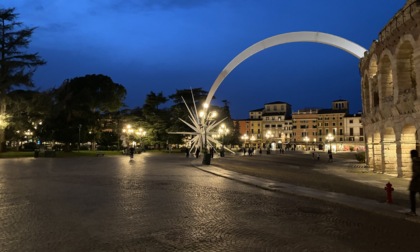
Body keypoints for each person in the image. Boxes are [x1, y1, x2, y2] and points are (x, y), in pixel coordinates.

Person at [407, 149, 420, 216]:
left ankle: (413, 211)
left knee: (412, 196)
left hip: (416, 182)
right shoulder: (418, 160)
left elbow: (417, 171)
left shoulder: (415, 161)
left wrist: (413, 177)